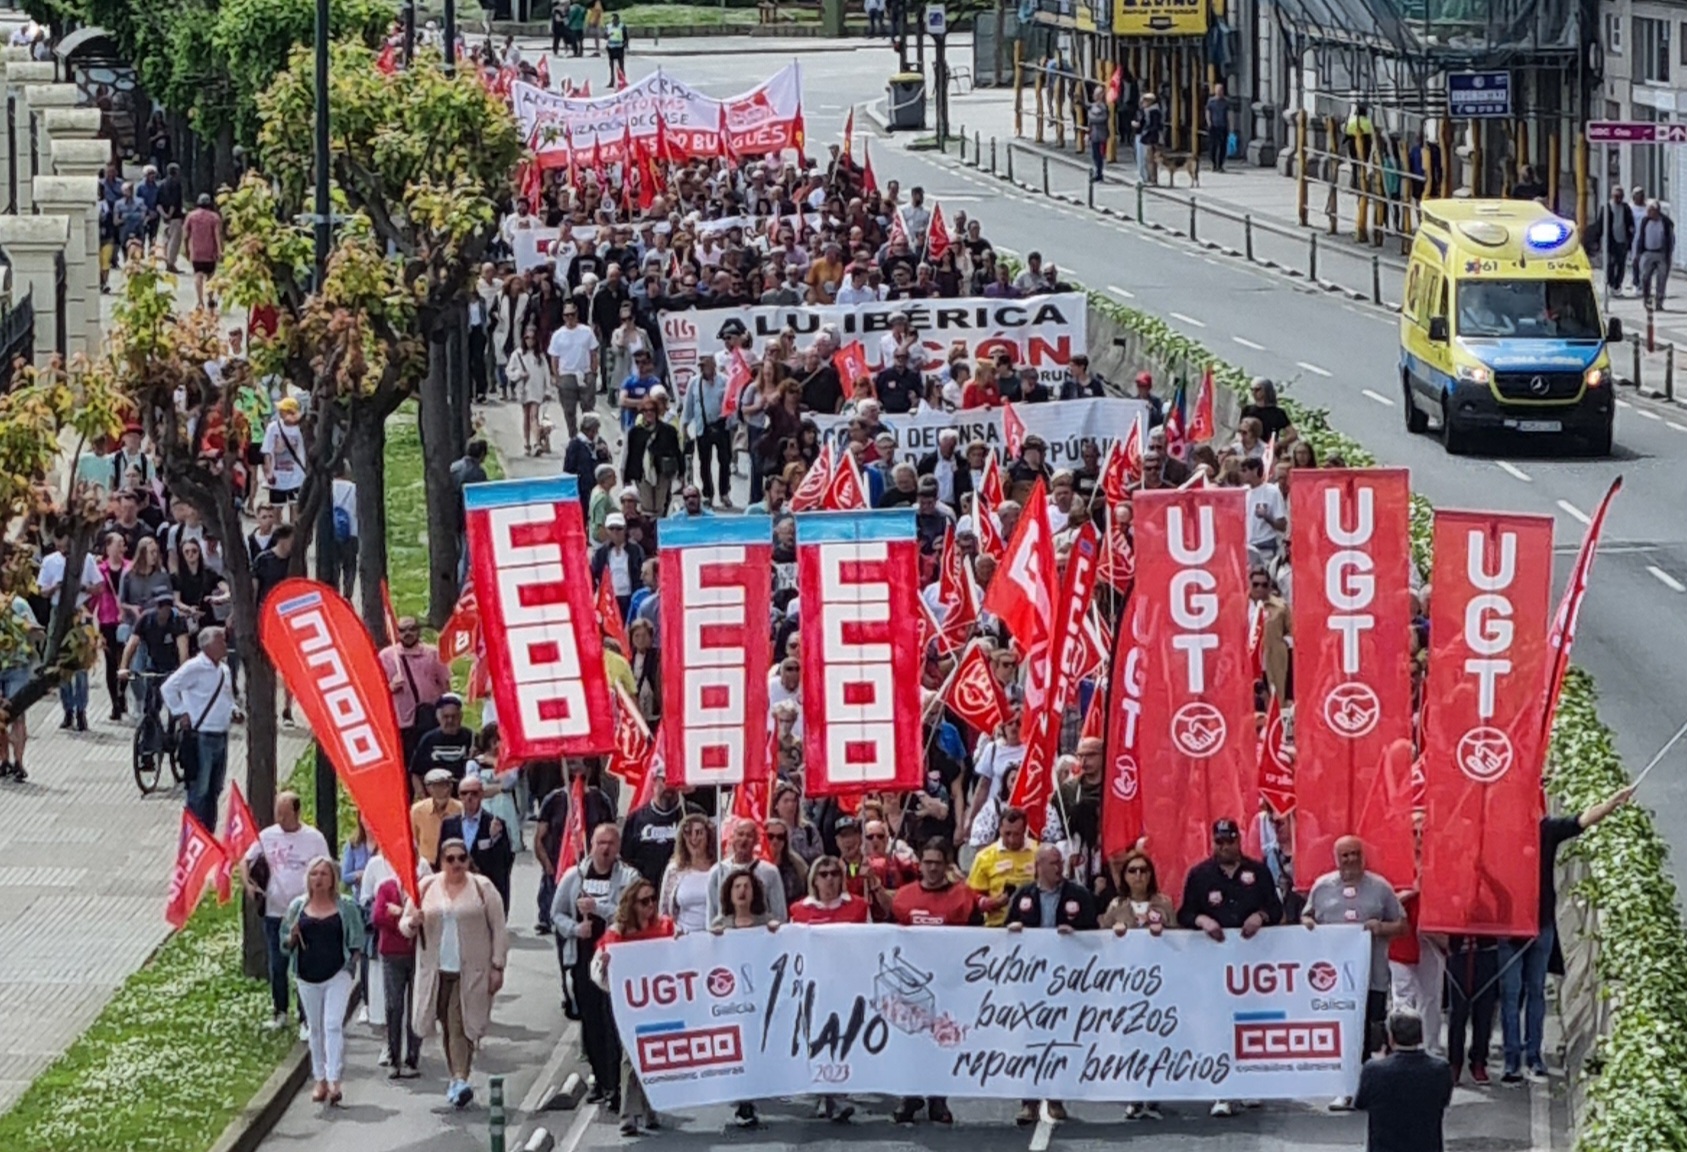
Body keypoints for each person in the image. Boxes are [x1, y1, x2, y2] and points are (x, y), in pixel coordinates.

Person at [1498, 785, 1633, 1082]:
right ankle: (1512, 1061)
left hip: (1540, 926)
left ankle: (1532, 1057)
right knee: (1511, 996)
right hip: (1507, 930)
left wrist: (1611, 803)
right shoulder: (1496, 836)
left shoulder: (1544, 830)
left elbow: (1581, 821)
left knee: (1534, 991)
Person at [1178, 818, 1283, 1117]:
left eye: (1230, 841)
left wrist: (1261, 915)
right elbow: (1185, 912)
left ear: (1239, 840)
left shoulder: (1258, 872)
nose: (1225, 847)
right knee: (1218, 1025)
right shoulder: (1200, 875)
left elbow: (1276, 909)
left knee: (1251, 1026)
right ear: (1213, 842)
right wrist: (1202, 920)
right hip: (1214, 965)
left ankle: (1250, 1085)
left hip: (1252, 965)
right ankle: (1221, 1090)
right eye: (1220, 842)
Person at [401, 836, 510, 1109]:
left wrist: (498, 965)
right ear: (441, 861)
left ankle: (461, 1078)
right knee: (446, 1026)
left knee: (461, 1023)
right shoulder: (426, 886)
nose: (457, 864)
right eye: (450, 859)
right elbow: (405, 924)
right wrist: (413, 922)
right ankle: (455, 1078)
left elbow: (499, 927)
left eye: (462, 858)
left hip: (471, 972)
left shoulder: (482, 887)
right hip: (436, 971)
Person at [1303, 836, 1408, 1106]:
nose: (1351, 860)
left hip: (1372, 976)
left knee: (1370, 1034)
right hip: (1334, 980)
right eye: (1345, 855)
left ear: (1363, 856)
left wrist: (1381, 928)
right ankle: (1347, 1087)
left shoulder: (1381, 887)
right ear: (1336, 859)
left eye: (1355, 854)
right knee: (1345, 1032)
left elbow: (1402, 926)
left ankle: (1370, 1086)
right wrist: (1308, 926)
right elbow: (1306, 916)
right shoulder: (1322, 886)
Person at [1004, 844, 1098, 1125]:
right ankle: (1029, 1102)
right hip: (1031, 980)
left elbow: (1095, 934)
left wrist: (1076, 934)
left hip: (1066, 980)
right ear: (1039, 865)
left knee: (1061, 1038)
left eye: (1060, 863)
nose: (1059, 868)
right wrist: (1013, 931)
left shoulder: (1078, 895)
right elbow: (1007, 928)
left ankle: (1056, 1098)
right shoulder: (1024, 895)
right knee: (1030, 1040)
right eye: (1053, 863)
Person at [891, 839, 981, 1125]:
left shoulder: (963, 896)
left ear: (946, 865)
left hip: (948, 981)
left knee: (942, 1040)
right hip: (911, 983)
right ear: (920, 863)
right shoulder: (903, 897)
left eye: (937, 863)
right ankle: (910, 1095)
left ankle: (938, 1100)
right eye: (927, 862)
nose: (931, 868)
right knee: (911, 1040)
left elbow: (978, 937)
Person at [554, 824, 643, 1111]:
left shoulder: (628, 877)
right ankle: (602, 1081)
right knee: (591, 1024)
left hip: (616, 960)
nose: (605, 849)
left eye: (611, 843)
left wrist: (598, 908)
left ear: (618, 848)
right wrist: (574, 928)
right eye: (600, 842)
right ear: (591, 845)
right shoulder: (574, 876)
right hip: (583, 960)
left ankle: (618, 1085)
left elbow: (632, 911)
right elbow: (556, 913)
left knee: (613, 1024)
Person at [590, 878, 675, 1136]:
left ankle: (650, 1110)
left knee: (653, 1056)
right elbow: (599, 975)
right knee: (631, 1056)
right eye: (644, 901)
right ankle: (628, 1116)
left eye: (653, 899)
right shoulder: (617, 933)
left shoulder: (666, 928)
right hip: (630, 1004)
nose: (650, 905)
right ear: (632, 904)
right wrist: (604, 966)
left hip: (659, 1002)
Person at [244, 792, 331, 1037]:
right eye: (277, 811)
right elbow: (246, 860)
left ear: (296, 812)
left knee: (304, 965)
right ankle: (280, 1011)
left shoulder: (313, 839)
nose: (279, 817)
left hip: (305, 912)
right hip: (275, 912)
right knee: (278, 963)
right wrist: (248, 884)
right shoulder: (267, 836)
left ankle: (307, 1018)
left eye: (284, 812)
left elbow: (325, 868)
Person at [281, 857, 365, 1106]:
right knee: (314, 1028)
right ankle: (319, 1079)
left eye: (324, 874)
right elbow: (284, 944)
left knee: (332, 1025)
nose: (318, 879)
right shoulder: (297, 907)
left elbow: (357, 939)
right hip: (307, 975)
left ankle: (334, 1079)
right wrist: (292, 938)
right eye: (314, 874)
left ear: (333, 880)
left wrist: (350, 966)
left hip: (337, 973)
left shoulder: (346, 907)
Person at [160, 625, 234, 833]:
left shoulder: (224, 670)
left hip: (221, 734)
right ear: (209, 645)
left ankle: (208, 833)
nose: (225, 644)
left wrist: (234, 710)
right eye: (221, 641)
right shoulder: (194, 667)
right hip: (201, 735)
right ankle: (192, 835)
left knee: (215, 790)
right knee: (198, 790)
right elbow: (168, 688)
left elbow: (226, 697)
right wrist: (181, 712)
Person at [1353, 1010, 1453, 1152]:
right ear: (1421, 1037)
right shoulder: (1440, 1069)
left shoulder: (1374, 1069)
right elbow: (1443, 1101)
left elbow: (1360, 1103)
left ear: (1391, 1038)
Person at [370, 864, 422, 1077]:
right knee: (394, 1005)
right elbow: (378, 917)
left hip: (418, 953)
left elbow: (426, 918)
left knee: (415, 1006)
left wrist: (399, 913)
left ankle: (412, 1058)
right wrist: (405, 918)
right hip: (392, 954)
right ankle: (394, 1057)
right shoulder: (386, 887)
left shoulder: (422, 889)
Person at [382, 616, 450, 772]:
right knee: (407, 763)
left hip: (430, 716)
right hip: (403, 720)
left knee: (431, 759)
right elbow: (377, 690)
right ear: (396, 633)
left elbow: (445, 684)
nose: (408, 633)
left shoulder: (432, 654)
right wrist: (391, 686)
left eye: (412, 629)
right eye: (402, 630)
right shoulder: (387, 656)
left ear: (419, 631)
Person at [439, 774, 515, 910]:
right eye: (464, 793)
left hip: (484, 893)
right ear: (459, 796)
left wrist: (494, 839)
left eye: (474, 793)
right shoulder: (449, 824)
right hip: (455, 892)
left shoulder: (495, 824)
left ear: (481, 795)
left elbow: (505, 863)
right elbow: (440, 859)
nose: (469, 797)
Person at [965, 804, 1037, 926]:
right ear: (999, 829)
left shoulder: (1039, 852)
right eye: (1007, 834)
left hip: (1032, 925)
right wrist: (992, 903)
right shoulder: (984, 857)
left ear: (1025, 831)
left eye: (1017, 834)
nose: (1012, 840)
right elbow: (971, 898)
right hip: (997, 925)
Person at [708, 819, 788, 922]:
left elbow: (780, 915)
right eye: (740, 834)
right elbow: (711, 914)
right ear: (732, 838)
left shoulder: (770, 872)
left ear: (756, 840)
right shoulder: (717, 872)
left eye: (749, 836)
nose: (744, 839)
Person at [658, 812, 717, 935]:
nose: (693, 838)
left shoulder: (720, 868)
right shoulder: (674, 870)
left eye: (699, 833)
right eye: (688, 833)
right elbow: (664, 912)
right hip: (684, 938)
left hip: (716, 937)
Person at [409, 693, 476, 794]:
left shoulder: (471, 738)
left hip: (463, 797)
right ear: (438, 717)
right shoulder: (428, 740)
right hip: (435, 797)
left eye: (454, 716)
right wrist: (424, 799)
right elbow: (415, 773)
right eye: (446, 716)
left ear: (461, 716)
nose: (450, 720)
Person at [261, 397, 308, 515]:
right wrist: (268, 473)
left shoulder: (301, 429)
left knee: (296, 508)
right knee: (276, 509)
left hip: (296, 476)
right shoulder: (273, 427)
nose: (280, 413)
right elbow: (267, 450)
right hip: (277, 476)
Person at [182, 193, 222, 309]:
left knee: (198, 275)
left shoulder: (191, 216)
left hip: (197, 252)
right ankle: (210, 299)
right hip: (210, 252)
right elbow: (217, 235)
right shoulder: (214, 217)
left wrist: (186, 250)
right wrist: (219, 251)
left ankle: (200, 302)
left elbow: (185, 235)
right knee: (210, 277)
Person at [1205, 82, 1230, 173]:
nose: (1220, 92)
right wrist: (1209, 123)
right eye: (1218, 90)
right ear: (1215, 91)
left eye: (1221, 90)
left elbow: (1228, 114)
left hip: (1223, 126)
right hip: (1214, 126)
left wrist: (1229, 125)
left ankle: (1220, 165)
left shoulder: (1225, 102)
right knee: (1213, 146)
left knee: (1223, 146)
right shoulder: (1211, 101)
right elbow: (1208, 112)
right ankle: (1213, 164)